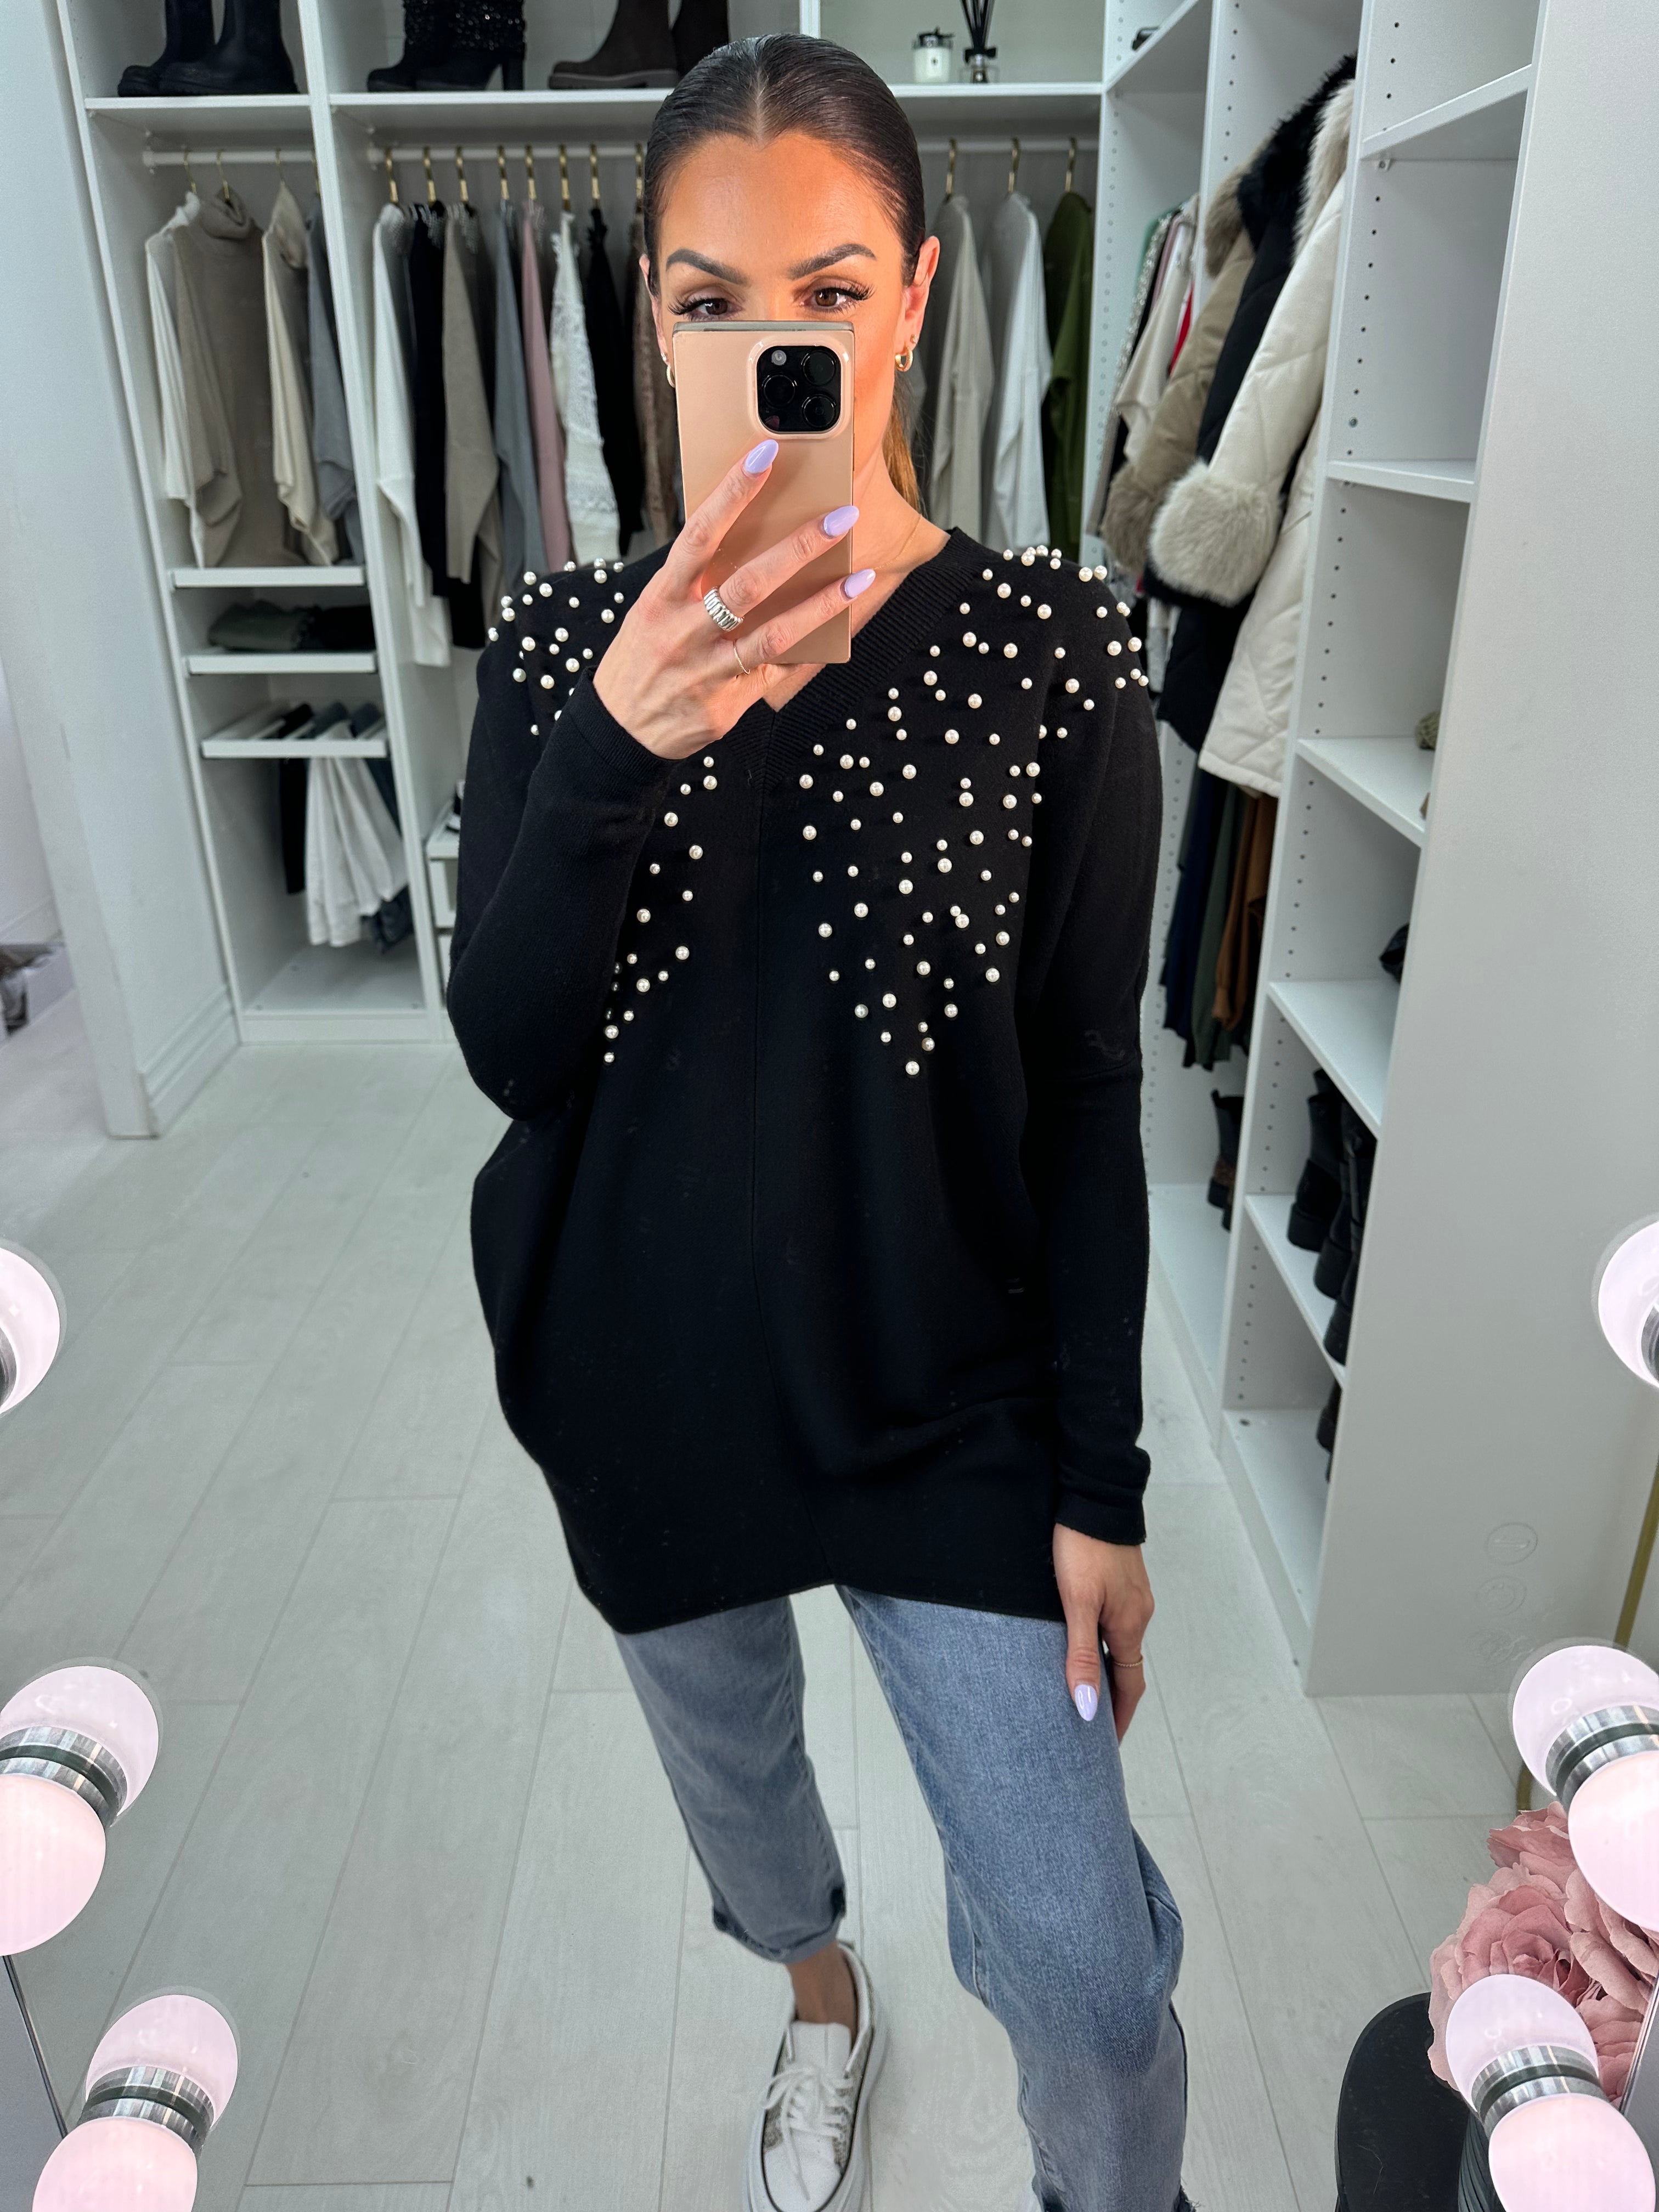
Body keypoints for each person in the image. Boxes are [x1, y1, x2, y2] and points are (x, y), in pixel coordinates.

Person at [448, 33, 1189, 2212]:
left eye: (831, 292)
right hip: (642, 1382)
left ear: (920, 298)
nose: (774, 348)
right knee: (745, 1797)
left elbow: (1086, 1090)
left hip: (949, 1402)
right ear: (648, 311)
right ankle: (816, 1993)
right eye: (713, 299)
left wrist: (1102, 1479)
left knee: (1089, 1979)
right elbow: (508, 1051)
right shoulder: (558, 651)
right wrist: (615, 743)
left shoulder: (1057, 657)